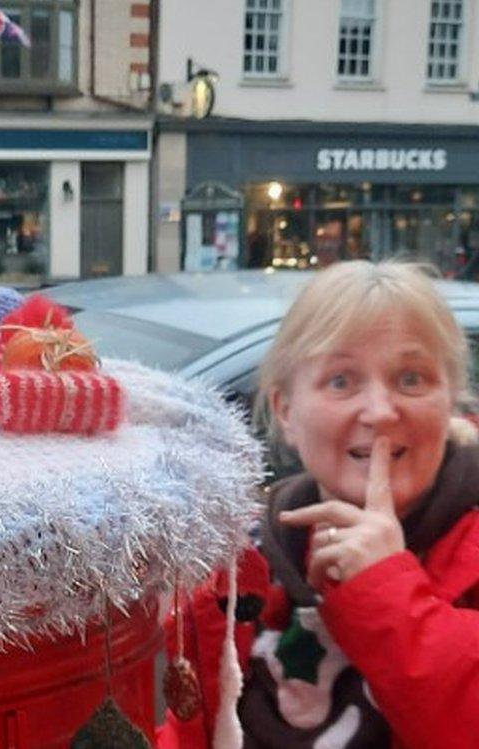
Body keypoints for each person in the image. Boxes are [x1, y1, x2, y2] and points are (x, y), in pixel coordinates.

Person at [157, 260, 479, 749]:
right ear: (286, 410)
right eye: (341, 381)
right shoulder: (242, 565)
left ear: (450, 399)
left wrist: (384, 587)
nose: (379, 411)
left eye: (411, 379)